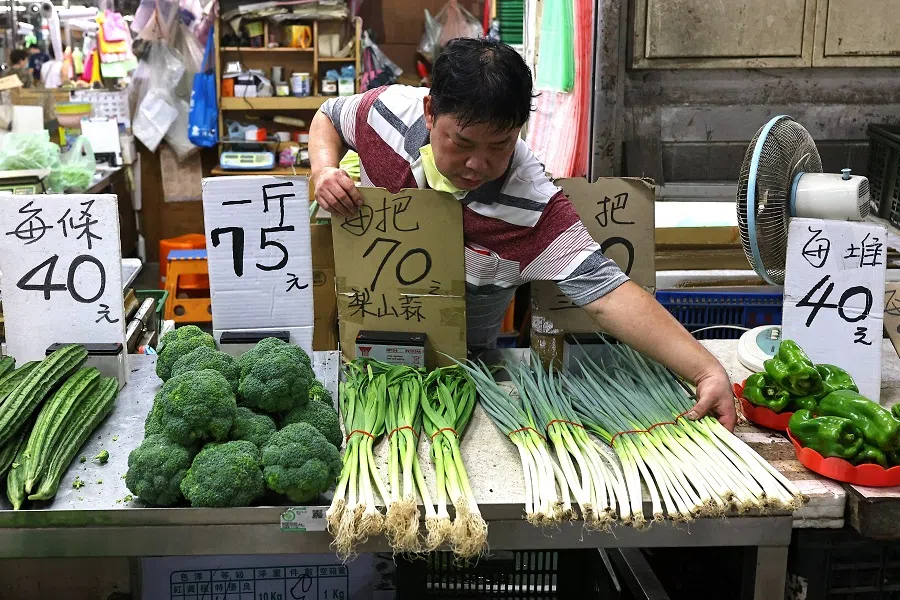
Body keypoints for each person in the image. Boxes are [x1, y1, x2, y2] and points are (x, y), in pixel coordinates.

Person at [310, 38, 737, 431]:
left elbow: (606, 293)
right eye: (461, 143)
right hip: (370, 328)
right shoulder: (385, 113)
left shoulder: (532, 204)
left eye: (500, 145)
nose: (477, 164)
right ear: (429, 112)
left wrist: (706, 370)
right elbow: (327, 117)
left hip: (465, 353)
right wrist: (324, 169)